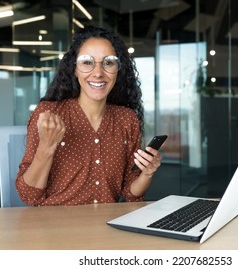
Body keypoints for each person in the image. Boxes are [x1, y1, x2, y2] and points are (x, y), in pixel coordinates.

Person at [15, 25, 163, 206]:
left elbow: (131, 194)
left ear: (118, 70)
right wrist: (47, 146)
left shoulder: (127, 119)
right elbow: (29, 196)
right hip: (54, 228)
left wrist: (147, 173)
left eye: (108, 62)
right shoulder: (49, 114)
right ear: (74, 69)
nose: (98, 73)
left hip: (106, 226)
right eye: (87, 62)